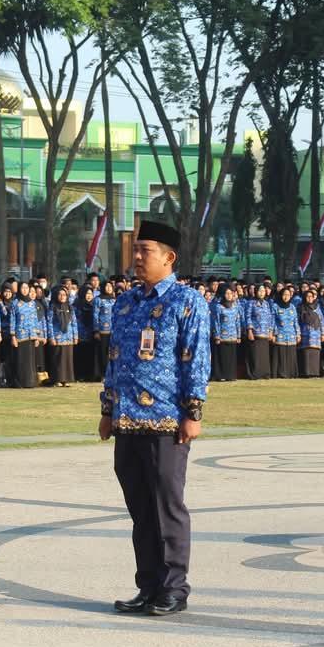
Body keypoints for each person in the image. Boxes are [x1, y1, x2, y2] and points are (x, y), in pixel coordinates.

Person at [100, 220, 210, 617]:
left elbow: (196, 359)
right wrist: (107, 408)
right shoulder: (126, 302)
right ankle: (147, 585)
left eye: (145, 250)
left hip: (167, 421)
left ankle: (174, 588)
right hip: (128, 420)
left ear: (169, 257)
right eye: (136, 250)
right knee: (141, 511)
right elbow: (114, 359)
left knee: (167, 507)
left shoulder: (188, 301)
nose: (137, 257)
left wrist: (193, 412)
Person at [9, 283, 42, 388]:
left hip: (31, 335)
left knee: (30, 360)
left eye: (26, 288)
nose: (24, 290)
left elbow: (35, 320)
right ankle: (20, 382)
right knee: (20, 360)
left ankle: (30, 382)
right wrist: (13, 336)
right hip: (20, 335)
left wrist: (37, 335)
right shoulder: (15, 303)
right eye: (22, 288)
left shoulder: (32, 303)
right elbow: (12, 320)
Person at [46, 286, 78, 387]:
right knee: (58, 359)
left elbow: (74, 322)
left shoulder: (70, 307)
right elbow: (49, 323)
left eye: (64, 295)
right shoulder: (52, 307)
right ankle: (57, 379)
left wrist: (75, 336)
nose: (62, 296)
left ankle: (66, 379)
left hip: (68, 337)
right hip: (57, 337)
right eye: (60, 294)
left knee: (67, 359)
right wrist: (51, 337)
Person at [211, 284, 242, 381]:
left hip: (233, 336)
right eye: (227, 293)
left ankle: (231, 375)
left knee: (231, 357)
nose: (229, 295)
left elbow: (237, 322)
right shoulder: (219, 307)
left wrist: (239, 335)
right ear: (223, 295)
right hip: (222, 337)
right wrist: (217, 336)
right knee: (222, 357)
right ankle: (221, 375)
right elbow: (216, 322)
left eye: (231, 293)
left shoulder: (235, 307)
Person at [243, 283, 274, 380]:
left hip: (265, 333)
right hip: (255, 333)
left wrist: (270, 331)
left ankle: (264, 373)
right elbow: (247, 317)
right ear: (256, 291)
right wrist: (249, 330)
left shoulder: (266, 303)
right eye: (260, 291)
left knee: (263, 356)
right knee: (255, 356)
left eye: (263, 291)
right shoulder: (251, 303)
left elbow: (270, 318)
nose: (261, 293)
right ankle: (254, 374)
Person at [270, 286, 299, 378]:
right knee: (280, 355)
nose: (286, 297)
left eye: (288, 295)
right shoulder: (275, 306)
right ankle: (280, 374)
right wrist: (273, 333)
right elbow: (272, 321)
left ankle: (291, 374)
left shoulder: (292, 307)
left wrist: (298, 334)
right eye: (284, 295)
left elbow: (295, 321)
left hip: (291, 335)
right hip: (280, 335)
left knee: (291, 355)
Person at [296, 287, 324, 378]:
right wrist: (298, 333)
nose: (309, 298)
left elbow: (321, 321)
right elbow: (297, 321)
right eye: (307, 296)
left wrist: (323, 333)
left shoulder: (317, 307)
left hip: (316, 335)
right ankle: (306, 373)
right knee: (306, 354)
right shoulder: (300, 307)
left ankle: (314, 372)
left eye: (311, 296)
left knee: (315, 353)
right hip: (305, 334)